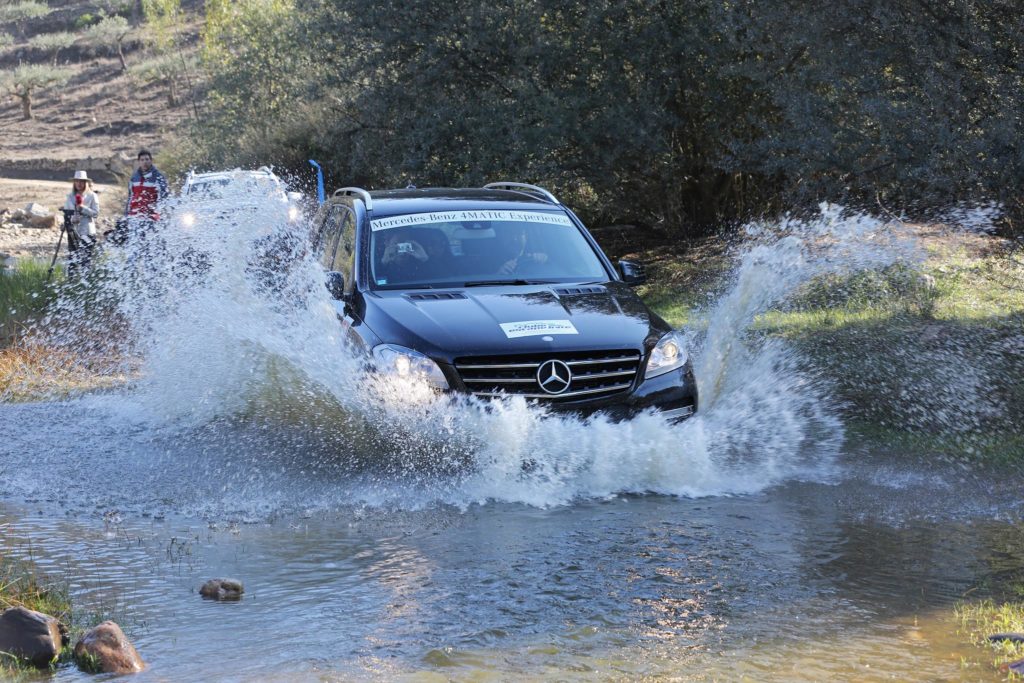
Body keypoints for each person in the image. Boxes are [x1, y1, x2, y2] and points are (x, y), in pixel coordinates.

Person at [62, 170, 99, 275]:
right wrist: (69, 220)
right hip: (73, 232)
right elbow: (66, 212)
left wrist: (82, 208)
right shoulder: (70, 197)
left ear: (85, 183)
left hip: (87, 232)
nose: (79, 183)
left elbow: (96, 213)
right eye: (77, 181)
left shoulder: (92, 196)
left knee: (86, 260)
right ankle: (71, 284)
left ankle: (87, 284)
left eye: (81, 181)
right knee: (72, 259)